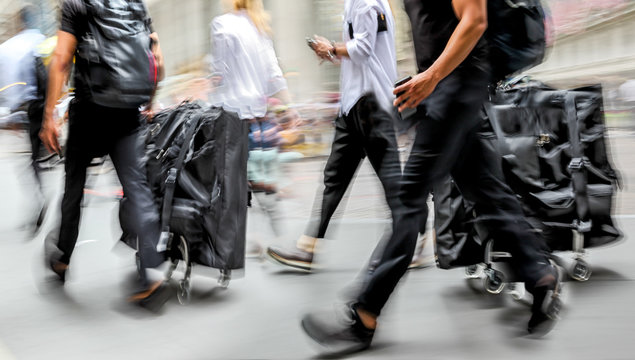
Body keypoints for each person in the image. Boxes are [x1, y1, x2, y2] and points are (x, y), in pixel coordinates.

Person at [300, 0, 564, 354]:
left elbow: (474, 21)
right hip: (450, 90)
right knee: (487, 192)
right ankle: (540, 276)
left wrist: (432, 77)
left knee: (409, 202)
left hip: (453, 91)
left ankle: (364, 313)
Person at [267, 0, 431, 273]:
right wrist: (332, 53)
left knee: (392, 184)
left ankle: (412, 242)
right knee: (335, 179)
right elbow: (362, 52)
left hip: (370, 105)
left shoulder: (366, 3)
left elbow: (363, 49)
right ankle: (308, 248)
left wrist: (331, 48)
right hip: (353, 105)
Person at [40, 0, 169, 308]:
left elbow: (61, 60)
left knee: (74, 187)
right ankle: (152, 270)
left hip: (90, 110)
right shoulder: (136, 5)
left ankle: (62, 258)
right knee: (136, 187)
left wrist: (49, 117)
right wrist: (149, 101)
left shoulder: (76, 4)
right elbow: (158, 62)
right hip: (127, 112)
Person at [210, 0, 290, 262]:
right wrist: (291, 108)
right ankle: (271, 236)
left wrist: (206, 92)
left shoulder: (222, 25)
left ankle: (237, 241)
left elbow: (219, 73)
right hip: (258, 118)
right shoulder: (260, 28)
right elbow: (274, 74)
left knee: (231, 180)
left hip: (231, 116)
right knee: (257, 179)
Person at [0, 5, 47, 232]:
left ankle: (39, 198)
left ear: (19, 23)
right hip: (46, 105)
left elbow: (10, 85)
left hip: (28, 108)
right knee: (41, 153)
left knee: (32, 160)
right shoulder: (42, 40)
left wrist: (13, 114)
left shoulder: (9, 48)